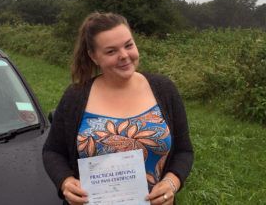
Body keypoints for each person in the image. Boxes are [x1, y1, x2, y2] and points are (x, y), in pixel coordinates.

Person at [42, 12, 193, 205]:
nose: (124, 56)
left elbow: (184, 151)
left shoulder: (164, 90)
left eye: (128, 45)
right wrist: (65, 181)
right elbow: (53, 151)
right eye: (111, 51)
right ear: (94, 56)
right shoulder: (75, 96)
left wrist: (172, 182)